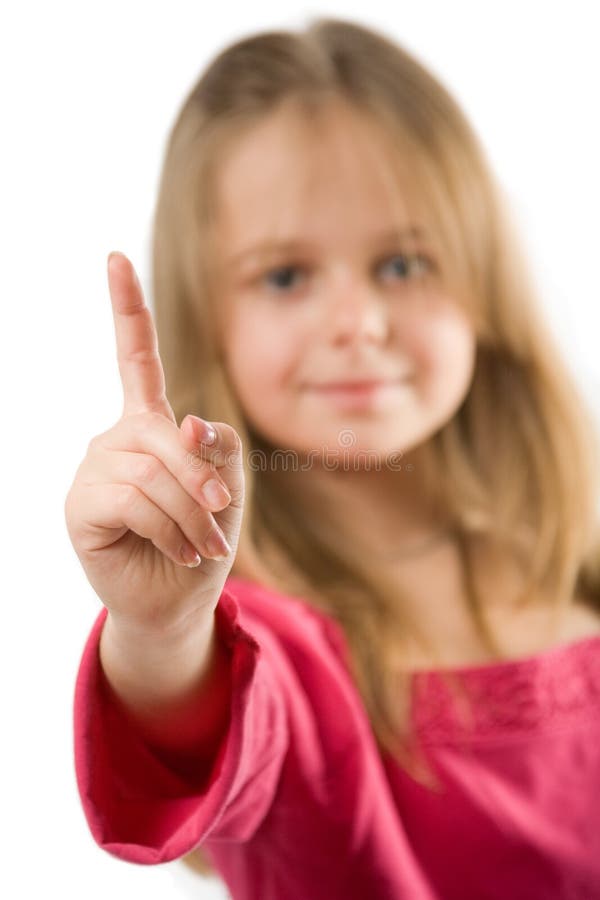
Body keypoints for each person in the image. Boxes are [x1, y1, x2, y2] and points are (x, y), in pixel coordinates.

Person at [64, 16, 600, 900]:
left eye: (401, 263)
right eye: (285, 276)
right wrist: (161, 630)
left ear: (482, 284)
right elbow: (200, 719)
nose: (357, 320)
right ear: (212, 323)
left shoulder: (574, 561)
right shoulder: (266, 651)